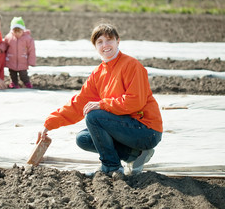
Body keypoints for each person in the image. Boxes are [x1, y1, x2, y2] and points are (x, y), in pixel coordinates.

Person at [39, 23, 163, 180]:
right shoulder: (98, 73)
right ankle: (135, 155)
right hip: (126, 127)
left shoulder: (132, 65)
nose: (105, 45)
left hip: (146, 130)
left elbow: (135, 102)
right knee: (83, 138)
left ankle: (111, 167)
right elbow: (78, 104)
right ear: (95, 46)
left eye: (109, 40)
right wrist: (48, 124)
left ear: (118, 41)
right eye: (99, 42)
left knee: (94, 116)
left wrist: (102, 104)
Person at [0, 17, 36, 89]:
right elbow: (5, 44)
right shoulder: (9, 37)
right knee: (12, 74)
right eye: (15, 31)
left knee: (23, 74)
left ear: (23, 30)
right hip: (11, 59)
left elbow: (31, 50)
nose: (17, 33)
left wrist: (31, 61)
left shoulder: (27, 39)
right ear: (12, 30)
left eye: (19, 31)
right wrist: (1, 48)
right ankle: (14, 83)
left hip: (22, 60)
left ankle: (26, 82)